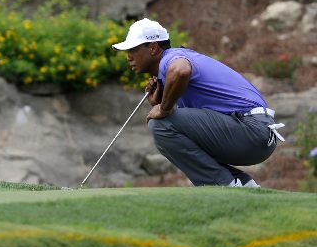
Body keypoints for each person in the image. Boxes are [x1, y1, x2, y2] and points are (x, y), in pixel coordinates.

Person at [111, 18, 285, 187]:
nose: (128, 57)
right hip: (259, 137)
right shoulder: (171, 69)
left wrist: (164, 108)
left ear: (154, 48)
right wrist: (161, 101)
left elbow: (181, 70)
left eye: (133, 49)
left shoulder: (171, 58)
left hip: (251, 129)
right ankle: (243, 185)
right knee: (171, 129)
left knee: (159, 124)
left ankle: (226, 186)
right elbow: (188, 131)